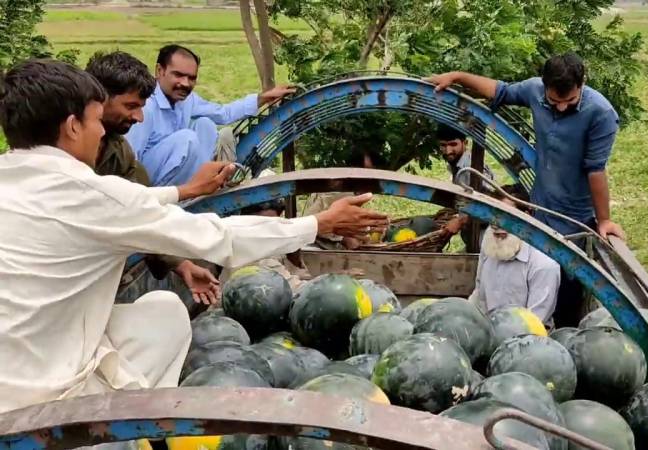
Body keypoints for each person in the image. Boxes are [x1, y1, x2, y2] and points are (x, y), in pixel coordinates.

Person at [0, 58, 388, 413]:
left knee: (160, 311)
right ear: (71, 127)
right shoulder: (93, 195)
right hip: (36, 400)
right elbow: (221, 237)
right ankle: (117, 429)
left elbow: (123, 206)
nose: (102, 132)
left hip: (15, 371)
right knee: (166, 317)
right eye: (96, 121)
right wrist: (318, 225)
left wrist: (184, 191)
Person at [427, 53, 624, 327]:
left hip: (574, 219)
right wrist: (458, 76)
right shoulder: (534, 91)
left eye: (570, 101)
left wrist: (603, 220)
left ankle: (560, 337)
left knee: (565, 289)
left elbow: (596, 169)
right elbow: (501, 91)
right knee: (528, 276)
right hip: (540, 209)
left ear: (583, 83)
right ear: (544, 87)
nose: (563, 108)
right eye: (555, 101)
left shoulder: (601, 114)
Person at [86, 50, 227, 305]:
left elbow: (141, 211)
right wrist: (187, 190)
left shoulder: (118, 150)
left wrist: (180, 264)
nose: (139, 117)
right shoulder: (66, 153)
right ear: (98, 101)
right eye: (131, 106)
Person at [125, 44, 296, 186]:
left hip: (177, 173)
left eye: (191, 78)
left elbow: (223, 113)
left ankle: (200, 188)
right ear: (160, 71)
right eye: (178, 75)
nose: (185, 83)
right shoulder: (145, 106)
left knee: (205, 125)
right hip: (148, 184)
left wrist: (263, 98)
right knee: (188, 138)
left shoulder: (188, 100)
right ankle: (188, 192)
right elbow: (129, 161)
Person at [469, 186, 561, 325]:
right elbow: (479, 295)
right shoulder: (490, 245)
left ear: (526, 216)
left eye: (506, 216)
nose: (497, 225)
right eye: (493, 216)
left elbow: (533, 323)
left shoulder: (544, 264)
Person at [436, 124, 495, 251]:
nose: (448, 151)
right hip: (472, 237)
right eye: (443, 145)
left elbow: (491, 207)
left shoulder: (471, 169)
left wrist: (461, 221)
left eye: (453, 144)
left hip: (486, 240)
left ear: (465, 143)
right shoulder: (456, 165)